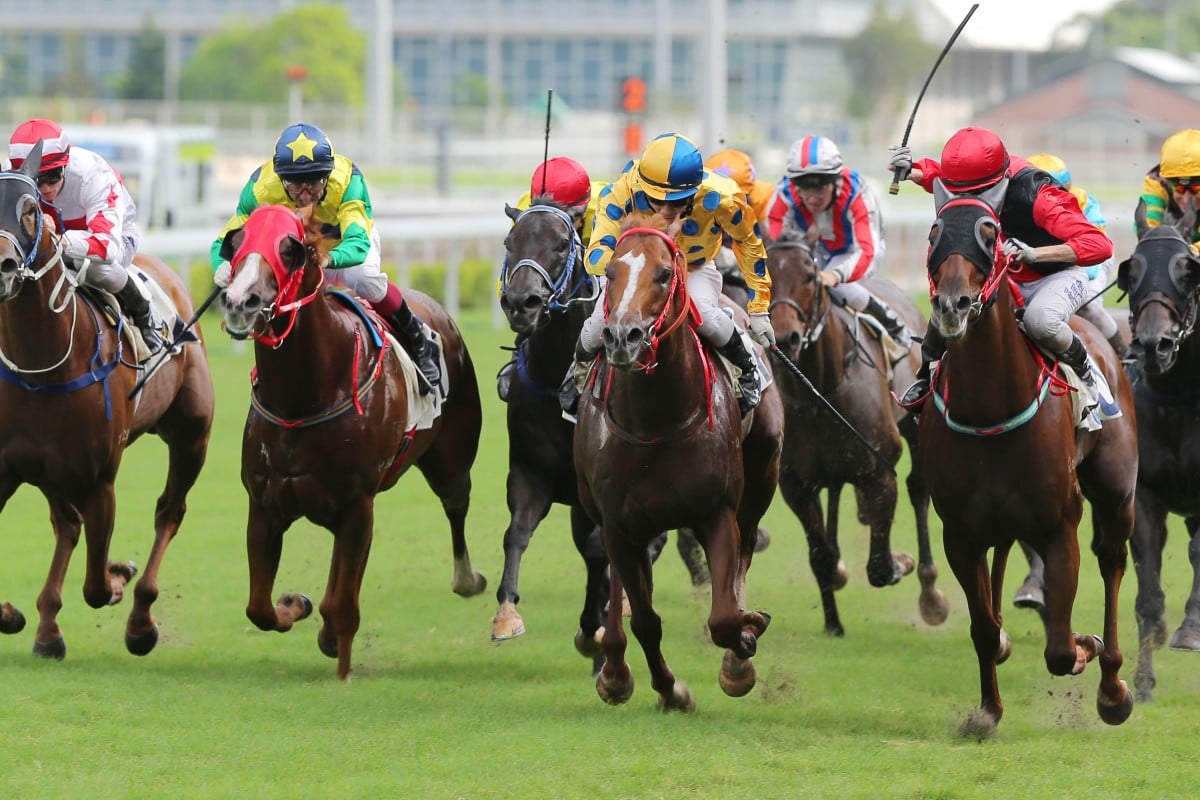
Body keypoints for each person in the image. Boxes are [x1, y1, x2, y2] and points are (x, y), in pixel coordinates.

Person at [889, 126, 1114, 410]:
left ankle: (1085, 372)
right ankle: (926, 378)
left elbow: (1099, 244)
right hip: (1008, 276)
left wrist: (1035, 254)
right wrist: (913, 170)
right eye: (960, 193)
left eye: (976, 193)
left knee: (1040, 321)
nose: (967, 201)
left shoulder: (1038, 194)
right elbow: (939, 176)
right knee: (949, 303)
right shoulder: (973, 179)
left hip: (1057, 275)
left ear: (998, 182)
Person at [211, 122, 441, 395]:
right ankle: (272, 367)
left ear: (328, 174)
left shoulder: (348, 181)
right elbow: (225, 240)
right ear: (281, 178)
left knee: (365, 279)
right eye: (296, 184)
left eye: (315, 182)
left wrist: (328, 260)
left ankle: (418, 341)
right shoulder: (261, 188)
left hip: (341, 247)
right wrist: (222, 265)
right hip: (296, 252)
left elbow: (357, 244)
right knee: (274, 295)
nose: (305, 193)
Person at [562, 131, 774, 417]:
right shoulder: (622, 189)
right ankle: (576, 372)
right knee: (599, 321)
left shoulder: (722, 196)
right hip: (637, 271)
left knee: (705, 315)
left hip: (695, 267)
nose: (666, 210)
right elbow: (597, 253)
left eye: (677, 202)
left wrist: (759, 309)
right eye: (656, 201)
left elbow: (749, 242)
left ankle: (746, 369)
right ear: (642, 186)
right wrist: (635, 270)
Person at [8, 118, 164, 357]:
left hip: (115, 238)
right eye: (37, 181)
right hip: (49, 239)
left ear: (65, 164)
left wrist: (60, 241)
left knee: (95, 269)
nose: (46, 188)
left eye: (53, 176)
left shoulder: (94, 174)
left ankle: (144, 315)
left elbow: (107, 247)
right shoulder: (12, 182)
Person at [765, 135, 912, 349]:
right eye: (805, 186)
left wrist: (834, 276)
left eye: (822, 186)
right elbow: (776, 248)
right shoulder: (784, 194)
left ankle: (891, 322)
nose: (813, 197)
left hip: (859, 250)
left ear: (835, 179)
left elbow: (865, 251)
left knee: (839, 287)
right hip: (819, 250)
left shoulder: (857, 194)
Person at [497, 156, 607, 401]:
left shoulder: (607, 206)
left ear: (582, 211)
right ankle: (521, 347)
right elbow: (516, 269)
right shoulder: (527, 209)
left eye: (569, 217)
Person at [1027, 152, 1126, 357]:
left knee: (1087, 302)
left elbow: (1092, 261)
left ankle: (1123, 354)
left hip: (1090, 261)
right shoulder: (1020, 207)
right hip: (1051, 262)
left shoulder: (1083, 202)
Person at [1135, 128, 1200, 253]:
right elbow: (1148, 231)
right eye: (1179, 188)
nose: (1187, 198)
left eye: (1195, 188)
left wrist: (1187, 251)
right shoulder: (1157, 182)